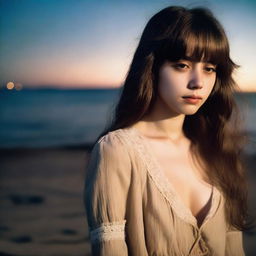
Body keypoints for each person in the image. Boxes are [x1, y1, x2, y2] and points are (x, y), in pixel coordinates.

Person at [83, 6, 250, 256]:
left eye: (210, 68)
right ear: (152, 67)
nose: (198, 83)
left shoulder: (219, 150)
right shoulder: (116, 151)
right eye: (182, 65)